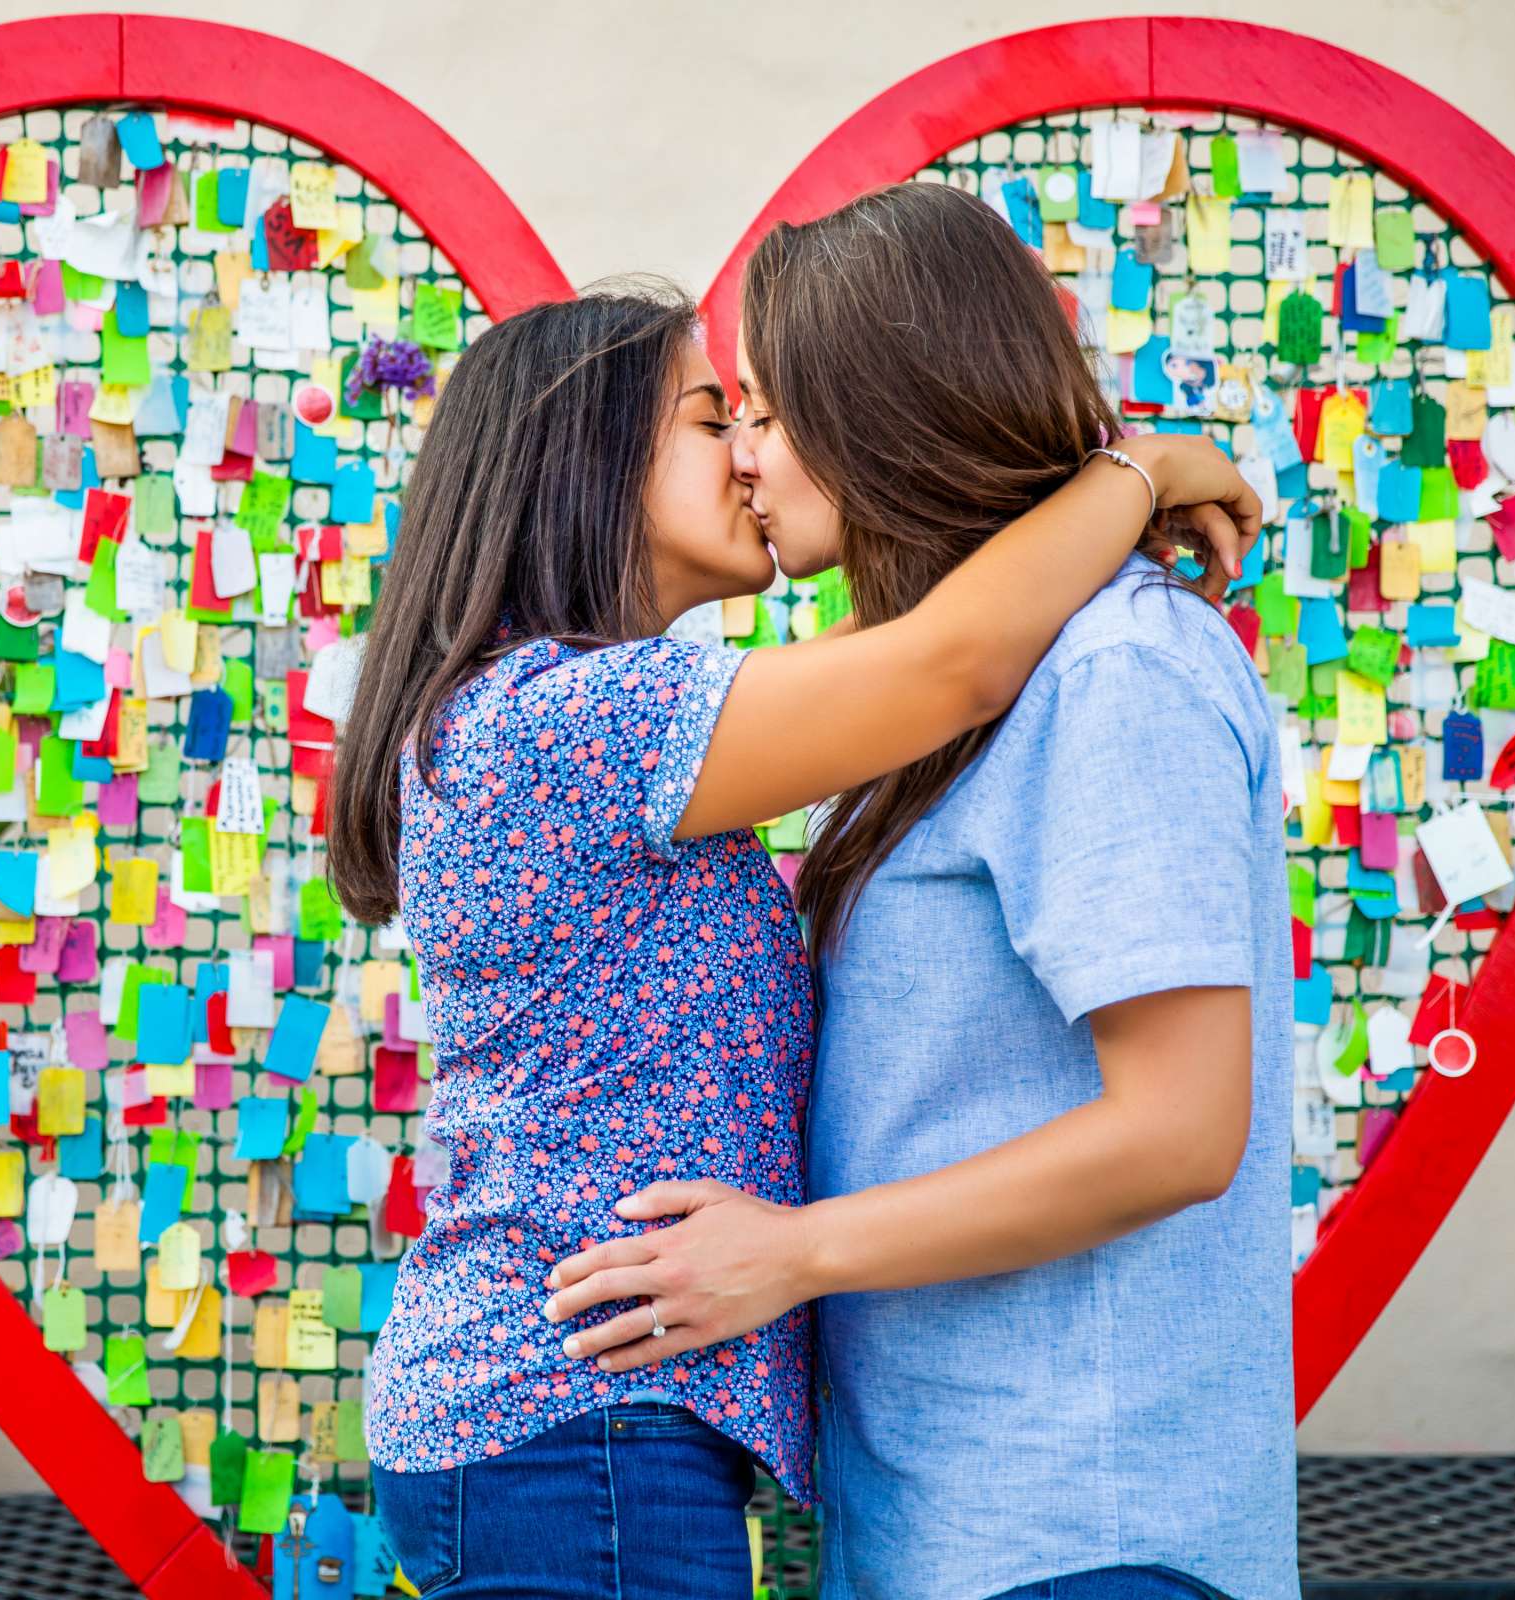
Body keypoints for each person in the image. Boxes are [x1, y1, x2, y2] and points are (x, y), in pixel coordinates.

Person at [330, 269, 1260, 1598]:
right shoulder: (569, 719)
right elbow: (954, 661)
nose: (754, 455)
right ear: (593, 463)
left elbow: (935, 640)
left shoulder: (585, 722)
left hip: (583, 1424)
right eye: (717, 419)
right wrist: (1137, 467)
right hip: (576, 1426)